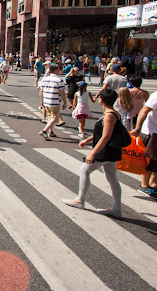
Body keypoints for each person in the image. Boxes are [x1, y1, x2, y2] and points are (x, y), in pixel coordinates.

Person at [63, 89, 123, 218]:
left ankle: (80, 199)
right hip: (112, 150)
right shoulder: (114, 113)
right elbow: (104, 133)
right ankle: (117, 207)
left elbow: (105, 136)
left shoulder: (109, 115)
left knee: (84, 170)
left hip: (105, 150)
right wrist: (88, 140)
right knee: (112, 177)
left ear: (101, 99)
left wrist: (92, 153)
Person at [39, 64, 67, 140]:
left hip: (46, 101)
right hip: (55, 102)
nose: (60, 70)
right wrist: (65, 102)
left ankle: (50, 131)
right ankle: (44, 131)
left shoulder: (44, 79)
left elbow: (41, 91)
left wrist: (42, 101)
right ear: (55, 71)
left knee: (50, 117)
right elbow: (62, 93)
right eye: (58, 69)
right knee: (55, 118)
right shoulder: (59, 80)